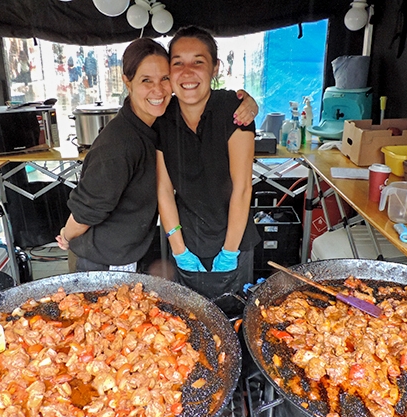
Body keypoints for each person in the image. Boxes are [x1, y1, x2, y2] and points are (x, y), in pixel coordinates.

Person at [57, 38, 258, 273]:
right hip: (104, 261)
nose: (158, 90)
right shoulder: (118, 145)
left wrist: (251, 104)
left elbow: (241, 186)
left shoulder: (158, 120)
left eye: (164, 78)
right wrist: (65, 236)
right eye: (146, 80)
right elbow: (86, 210)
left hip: (135, 252)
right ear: (127, 82)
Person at [155, 26, 260, 298]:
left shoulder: (233, 110)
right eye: (178, 63)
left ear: (215, 68)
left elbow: (242, 189)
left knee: (234, 322)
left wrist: (229, 251)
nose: (187, 72)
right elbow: (164, 190)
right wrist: (179, 249)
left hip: (234, 241)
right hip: (186, 242)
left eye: (198, 62)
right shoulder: (162, 118)